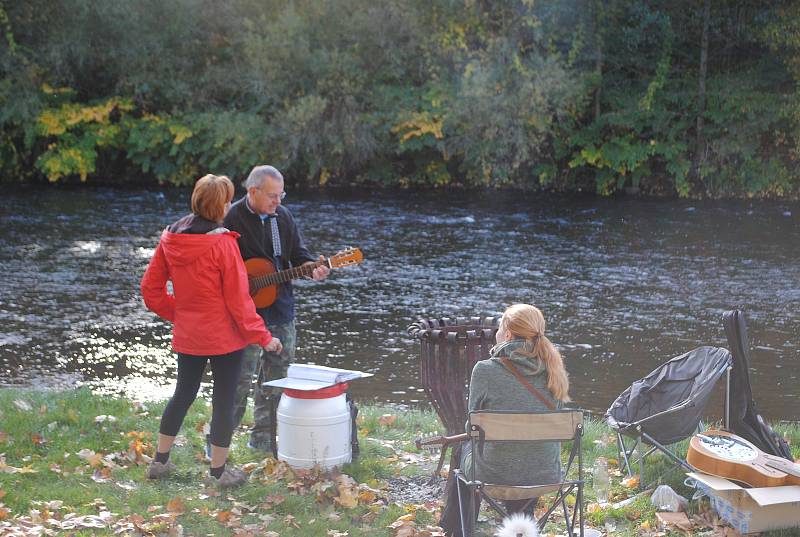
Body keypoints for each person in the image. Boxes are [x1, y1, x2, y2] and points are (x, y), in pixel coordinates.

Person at [141, 174, 283, 488]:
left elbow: (150, 290)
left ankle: (160, 461)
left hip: (189, 335)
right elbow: (239, 301)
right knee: (223, 400)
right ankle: (219, 473)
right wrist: (265, 337)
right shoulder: (222, 243)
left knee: (182, 395)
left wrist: (180, 314)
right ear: (219, 205)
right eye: (228, 199)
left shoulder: (171, 236)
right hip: (223, 338)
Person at [222, 165, 329, 452]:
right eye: (272, 196)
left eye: (281, 195)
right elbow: (220, 267)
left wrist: (312, 269)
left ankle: (264, 440)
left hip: (281, 309)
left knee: (277, 377)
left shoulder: (283, 216)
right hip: (243, 313)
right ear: (253, 191)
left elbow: (298, 254)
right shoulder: (231, 217)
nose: (278, 202)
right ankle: (221, 441)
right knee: (239, 377)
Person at [441, 303, 571, 536]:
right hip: (544, 474)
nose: (497, 333)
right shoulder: (554, 370)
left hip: (494, 474)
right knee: (528, 452)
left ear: (508, 334)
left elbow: (472, 427)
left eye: (500, 327)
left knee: (465, 449)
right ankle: (520, 520)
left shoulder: (485, 370)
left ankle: (457, 530)